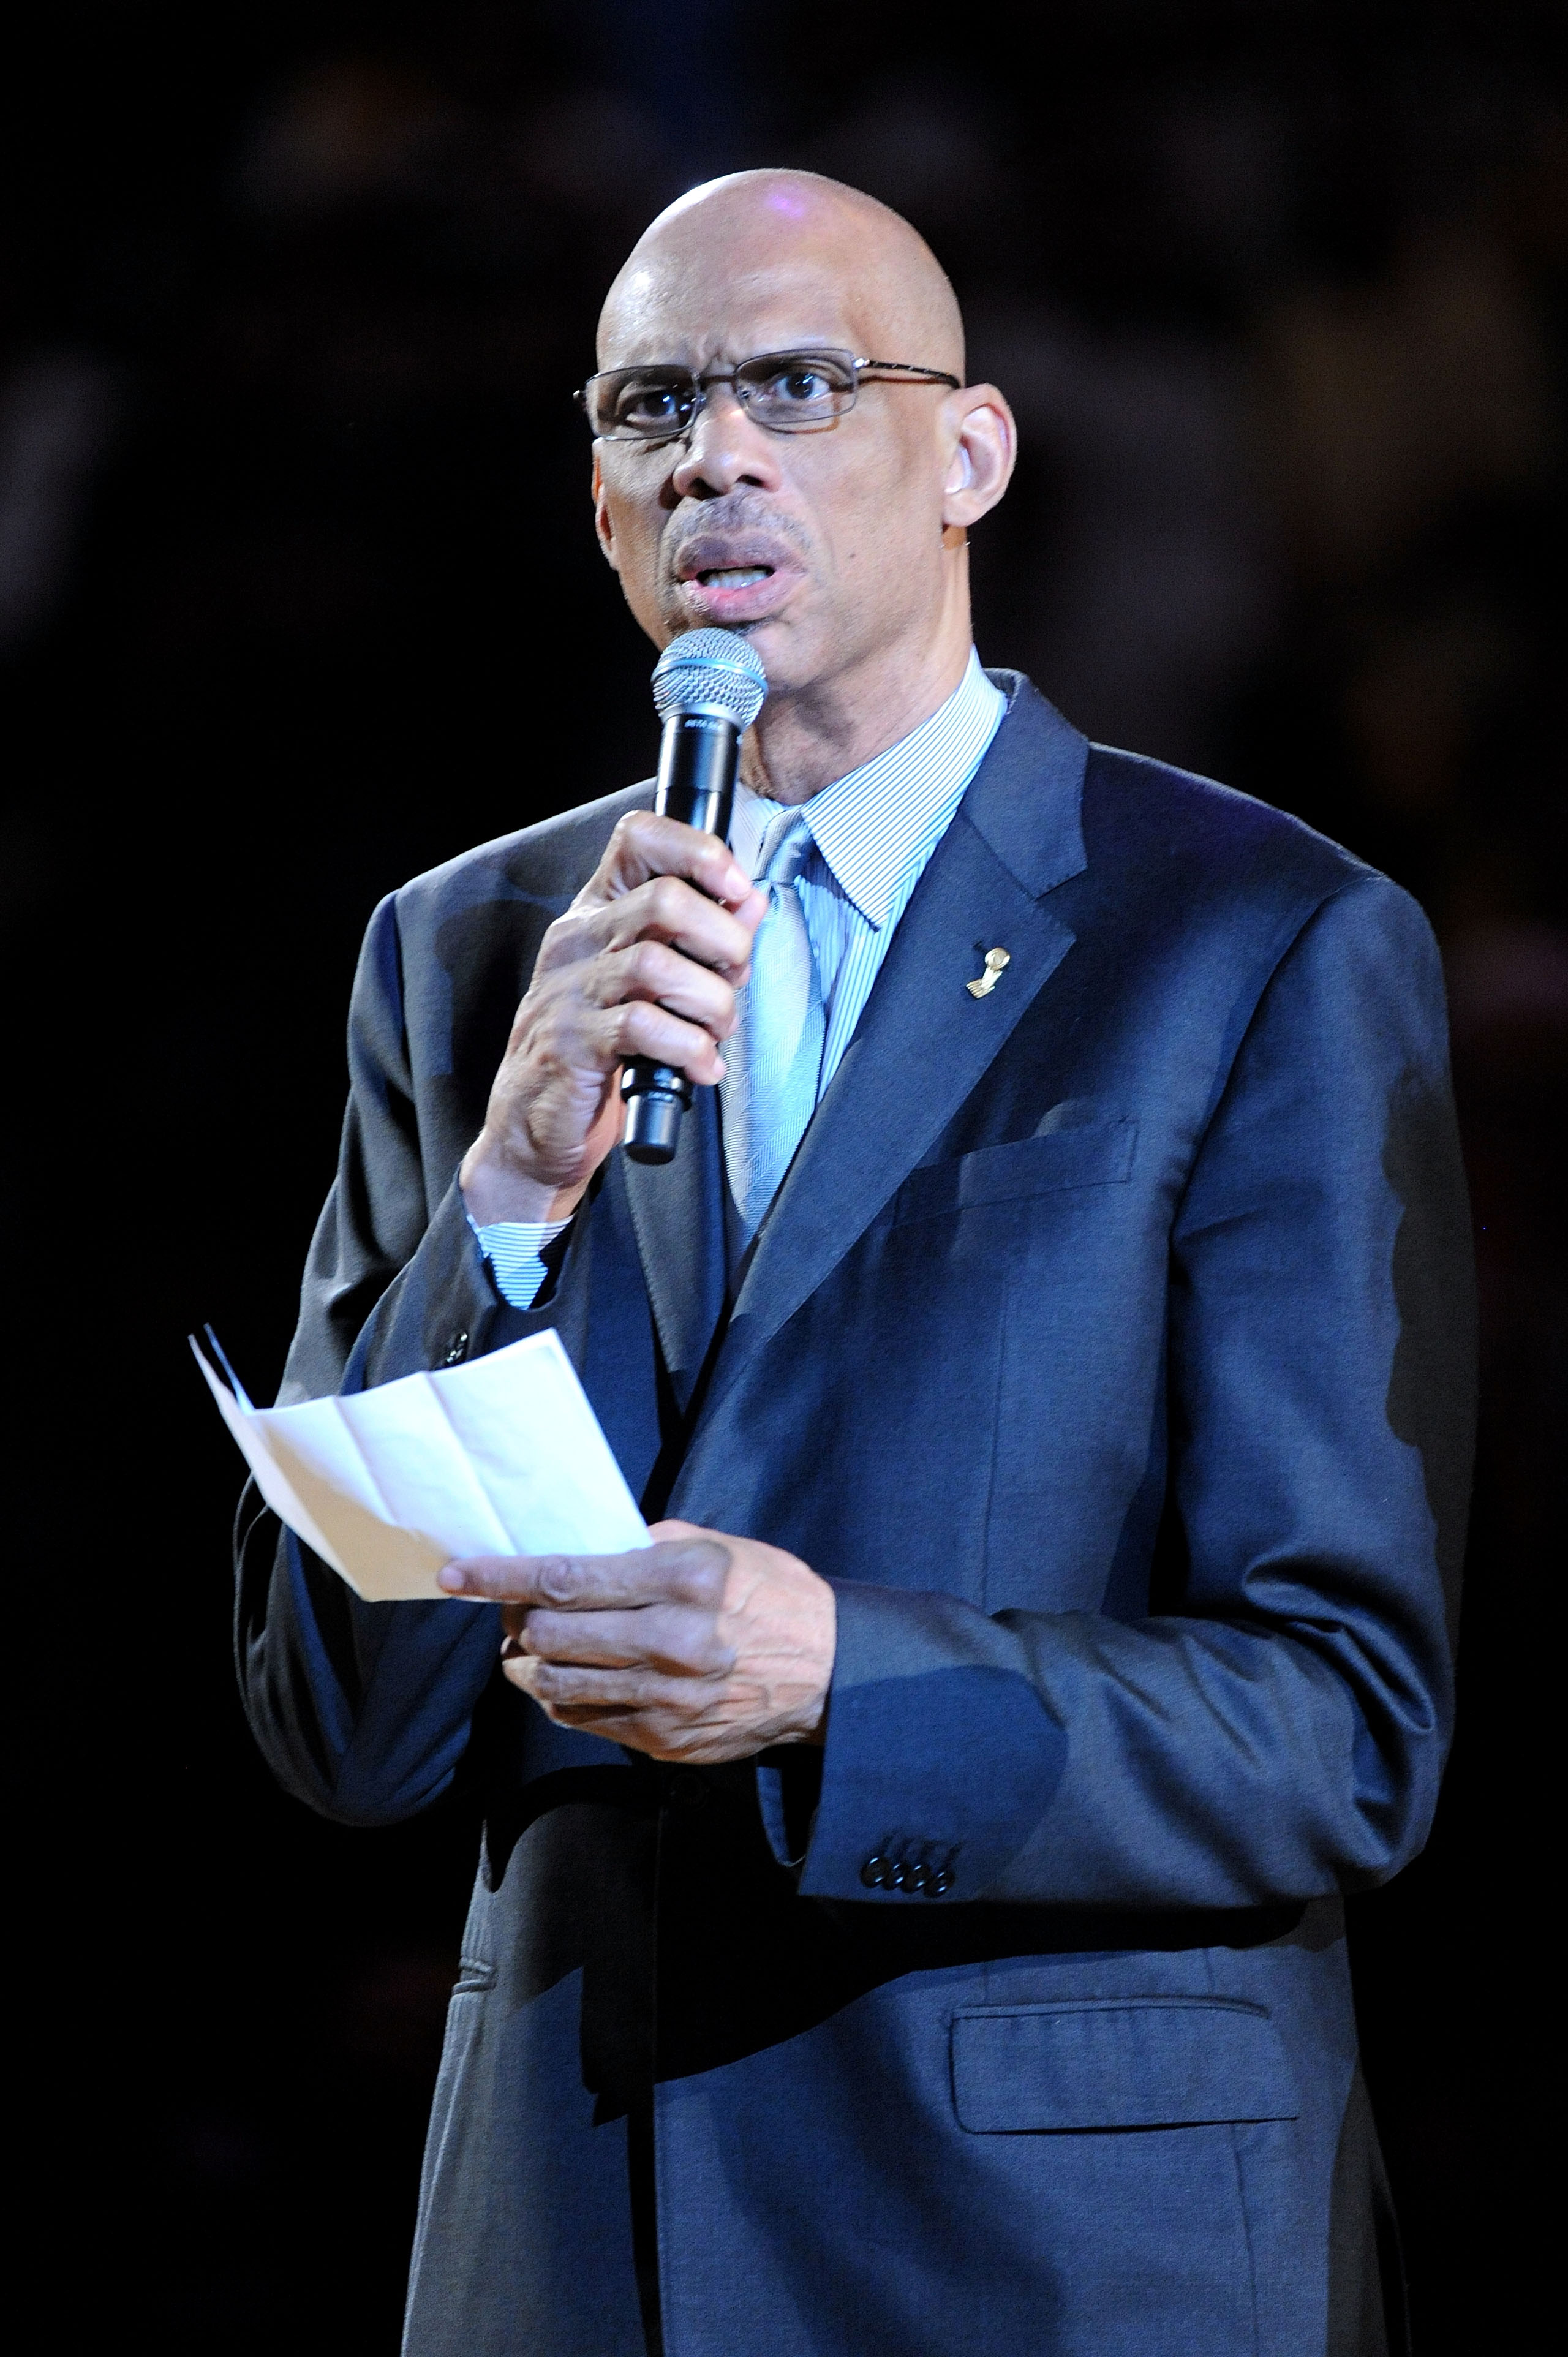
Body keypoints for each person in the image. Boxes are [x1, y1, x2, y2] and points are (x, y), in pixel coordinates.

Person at [236, 170, 1474, 2357]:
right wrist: (508, 1197)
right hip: (581, 2239)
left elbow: (1342, 1730)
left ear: (972, 453)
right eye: (652, 407)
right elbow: (343, 1722)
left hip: (1064, 2258)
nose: (716, 451)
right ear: (604, 507)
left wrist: (839, 1688)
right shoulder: (464, 962)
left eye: (800, 386)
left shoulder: (1251, 942)